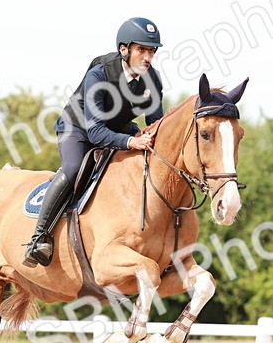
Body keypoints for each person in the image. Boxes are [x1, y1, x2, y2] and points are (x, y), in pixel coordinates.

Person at [23, 17, 167, 267]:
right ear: (124, 49)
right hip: (79, 129)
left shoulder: (151, 81)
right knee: (73, 169)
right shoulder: (99, 75)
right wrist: (132, 142)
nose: (147, 57)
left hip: (119, 131)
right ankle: (39, 237)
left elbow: (156, 126)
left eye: (151, 51)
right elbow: (96, 133)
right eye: (141, 50)